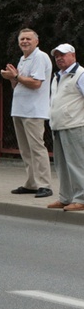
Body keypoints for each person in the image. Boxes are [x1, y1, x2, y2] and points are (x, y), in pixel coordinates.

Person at [0, 29, 53, 198]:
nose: (24, 41)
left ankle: (45, 184)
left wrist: (16, 75)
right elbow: (18, 86)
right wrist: (11, 78)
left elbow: (36, 83)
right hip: (20, 109)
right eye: (22, 39)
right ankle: (31, 183)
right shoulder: (23, 59)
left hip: (34, 111)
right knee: (25, 150)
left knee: (37, 148)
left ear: (36, 41)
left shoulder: (40, 57)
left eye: (28, 39)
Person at [46, 44, 84, 212]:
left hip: (75, 125)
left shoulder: (81, 74)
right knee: (61, 165)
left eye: (63, 55)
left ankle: (81, 198)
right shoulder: (57, 76)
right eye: (57, 56)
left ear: (73, 56)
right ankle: (65, 197)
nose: (59, 58)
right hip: (58, 126)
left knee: (77, 164)